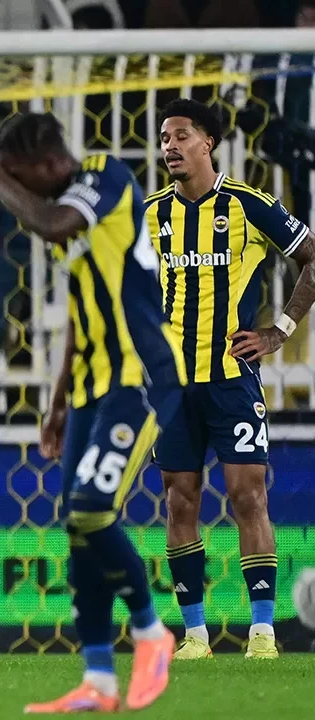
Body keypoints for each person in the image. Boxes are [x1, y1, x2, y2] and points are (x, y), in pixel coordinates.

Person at [0, 113, 183, 712]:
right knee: (78, 527)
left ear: (46, 164)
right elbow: (79, 311)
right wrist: (58, 400)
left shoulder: (103, 178)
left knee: (92, 509)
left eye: (22, 177)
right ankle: (99, 680)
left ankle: (151, 631)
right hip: (91, 389)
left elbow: (49, 221)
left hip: (139, 378)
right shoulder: (74, 214)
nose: (21, 192)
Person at [145, 99, 315, 661]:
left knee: (248, 496)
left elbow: (313, 258)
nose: (170, 146)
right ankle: (194, 635)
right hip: (172, 387)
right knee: (179, 501)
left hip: (231, 379)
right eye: (164, 137)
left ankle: (262, 632)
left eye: (181, 135)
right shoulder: (150, 215)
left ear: (208, 142)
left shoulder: (248, 205)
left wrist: (279, 330)